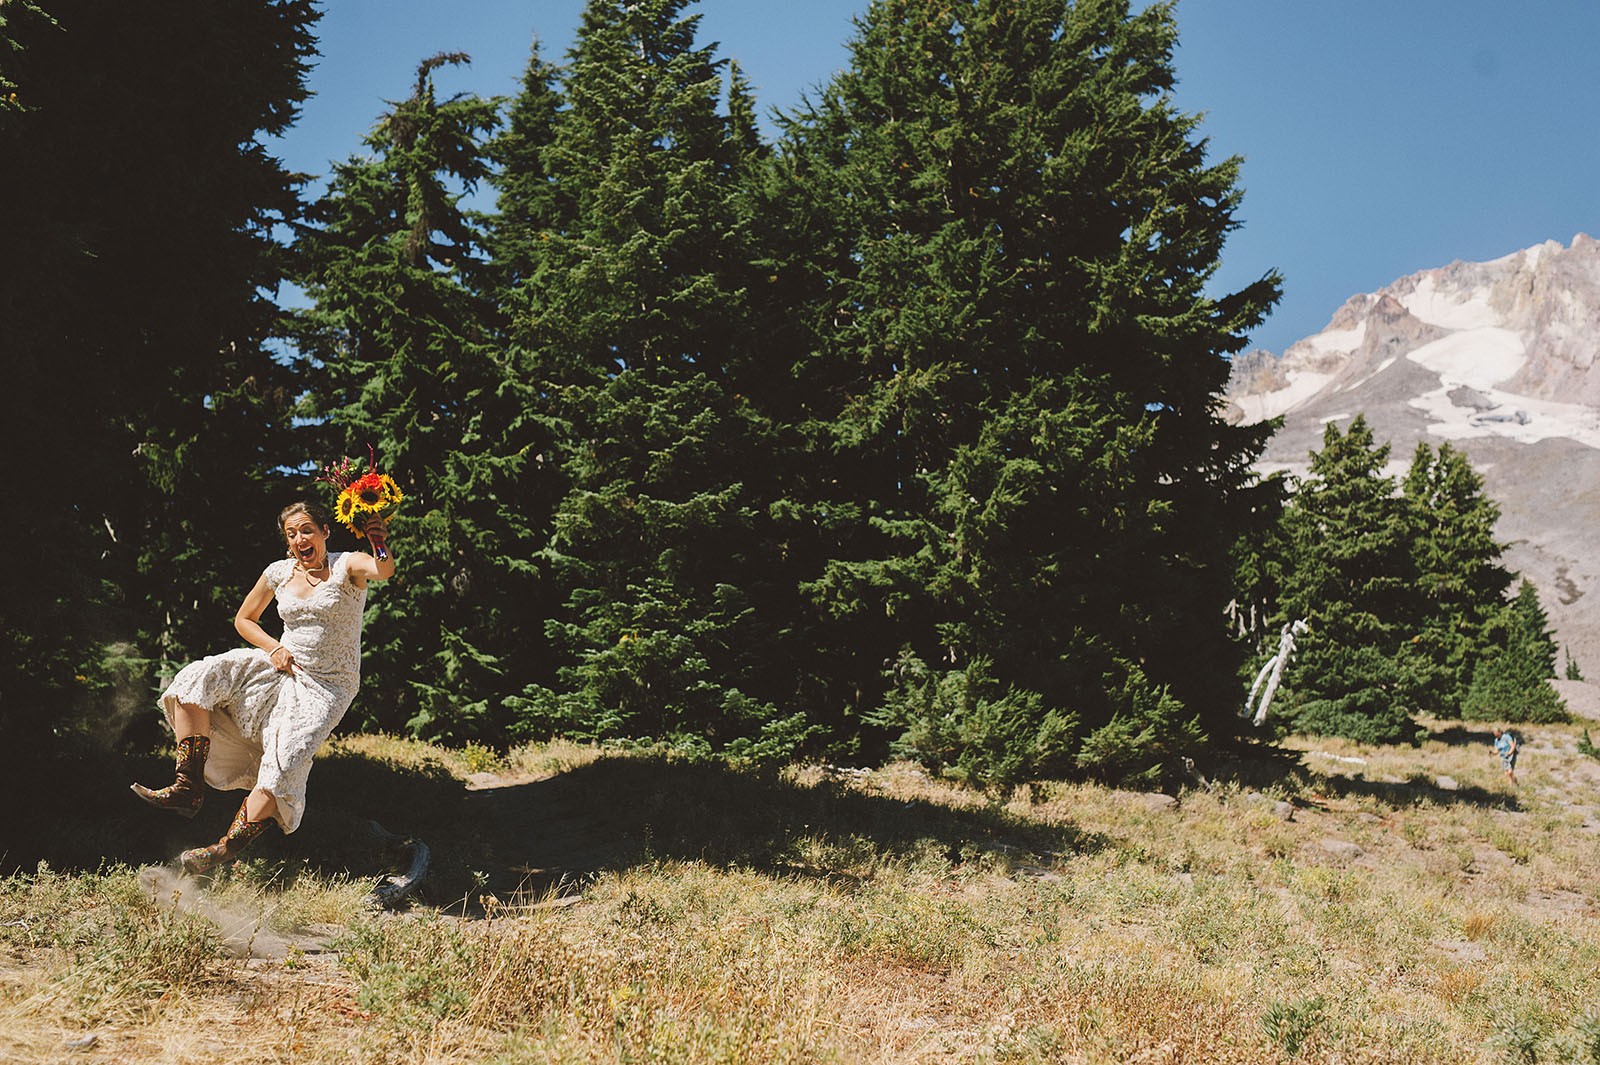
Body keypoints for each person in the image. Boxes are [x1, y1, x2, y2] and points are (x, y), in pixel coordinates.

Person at [131, 501, 394, 875]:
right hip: (281, 665)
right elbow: (244, 619)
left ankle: (220, 852)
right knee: (196, 678)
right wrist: (274, 648)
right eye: (291, 534)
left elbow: (382, 569)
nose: (300, 539)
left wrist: (378, 541)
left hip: (327, 687)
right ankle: (187, 788)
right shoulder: (279, 573)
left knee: (284, 763)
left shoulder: (347, 564)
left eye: (307, 530)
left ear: (324, 532)